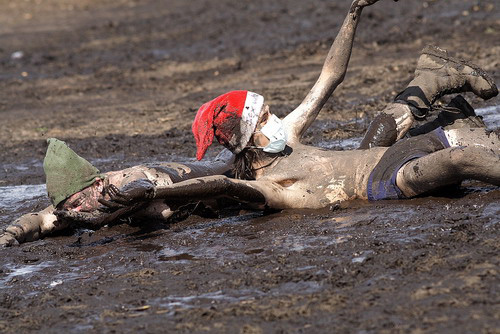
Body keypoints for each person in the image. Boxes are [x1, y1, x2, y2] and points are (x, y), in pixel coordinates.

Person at [96, 0, 499, 211]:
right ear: (249, 135)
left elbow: (331, 76)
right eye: (266, 115)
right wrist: (149, 194)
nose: (275, 119)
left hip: (399, 153)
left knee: (471, 141)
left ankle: (443, 94)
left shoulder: (286, 137)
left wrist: (353, 12)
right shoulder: (269, 187)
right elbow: (219, 183)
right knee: (460, 159)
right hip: (389, 181)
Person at [0, 138, 234, 246]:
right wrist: (10, 234)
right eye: (69, 208)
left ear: (97, 185)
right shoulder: (74, 203)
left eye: (78, 202)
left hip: (223, 174)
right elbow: (40, 219)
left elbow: (140, 190)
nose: (76, 210)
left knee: (231, 159)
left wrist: (101, 217)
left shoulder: (127, 180)